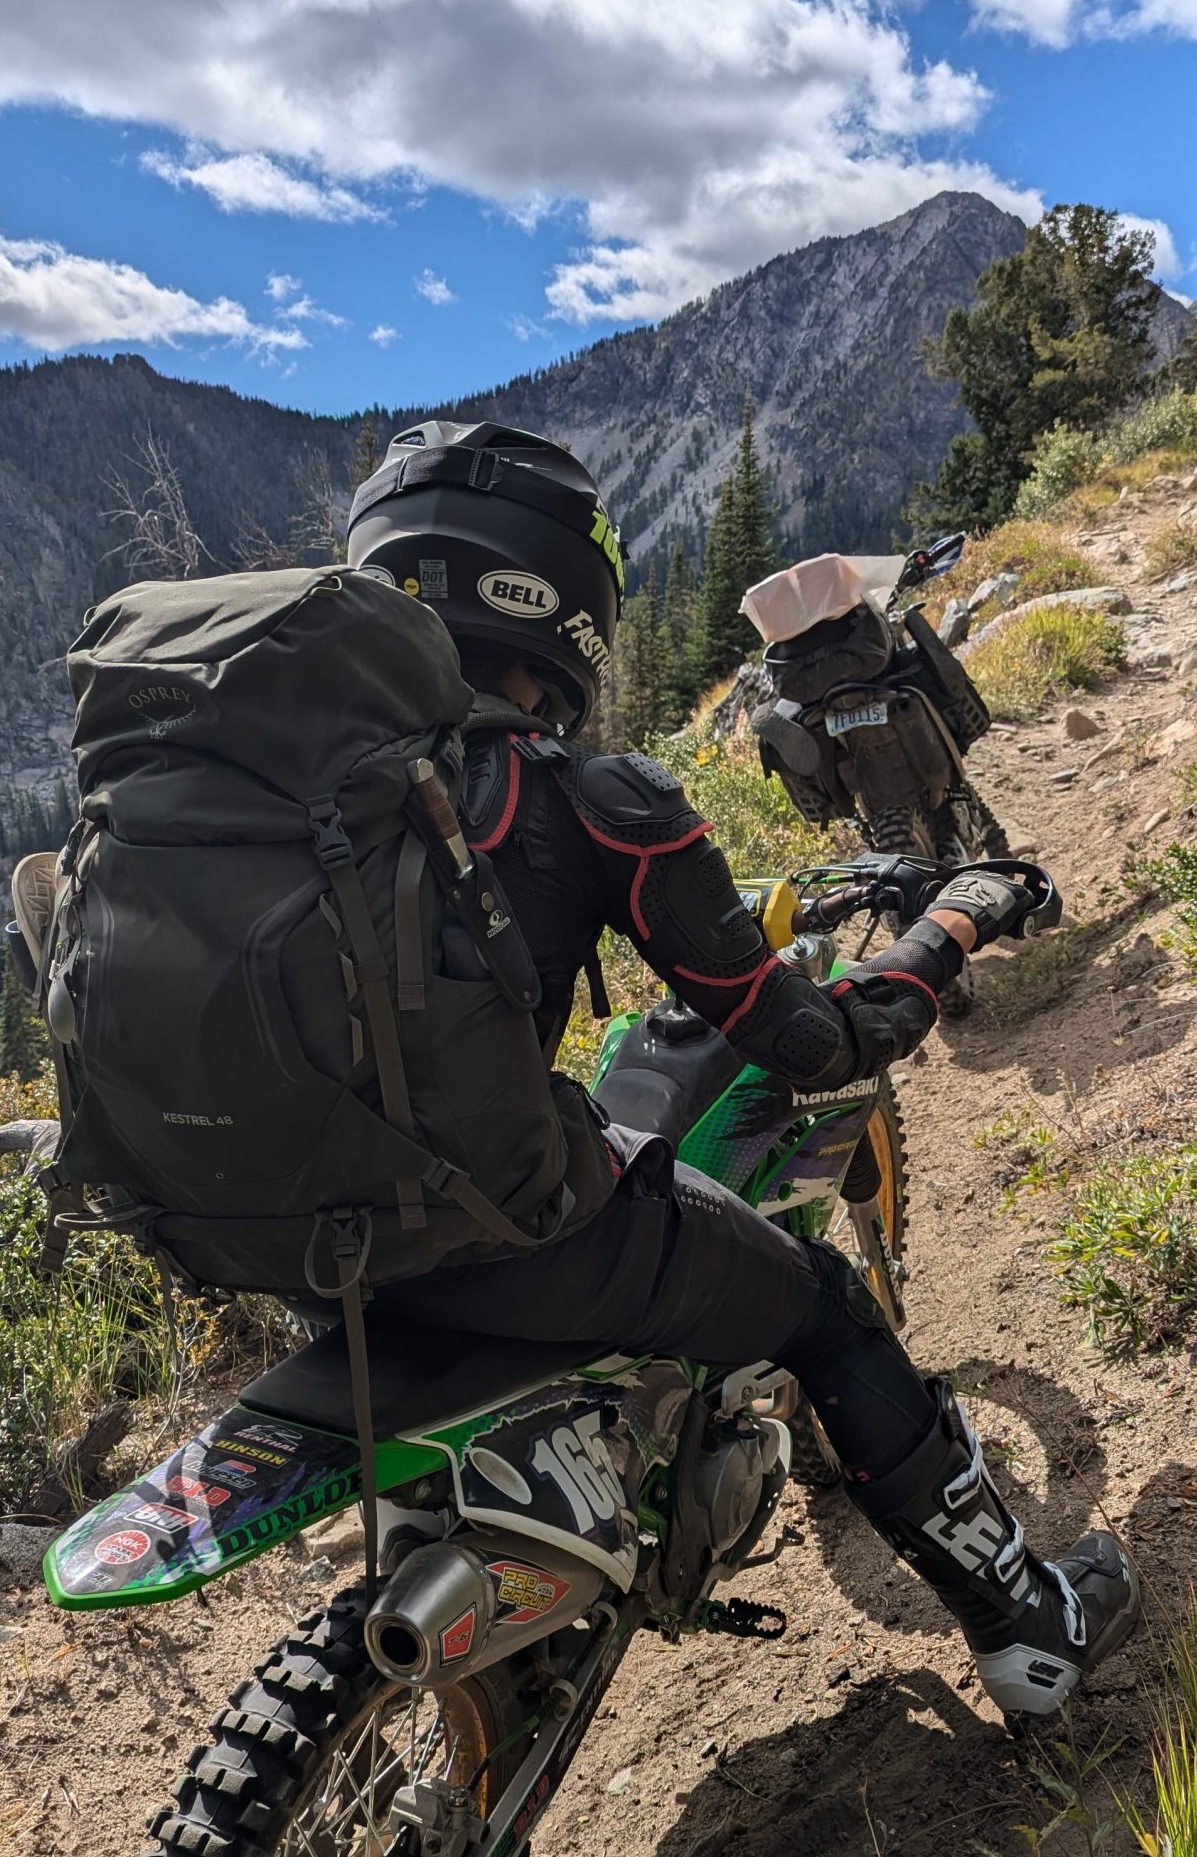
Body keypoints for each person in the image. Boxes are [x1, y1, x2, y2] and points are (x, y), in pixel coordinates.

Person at [340, 421, 1138, 1725]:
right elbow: (818, 1042)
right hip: (493, 1230)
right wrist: (955, 927)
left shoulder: (299, 794)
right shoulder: (584, 795)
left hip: (285, 1247)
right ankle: (1028, 1630)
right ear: (561, 603)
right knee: (819, 1301)